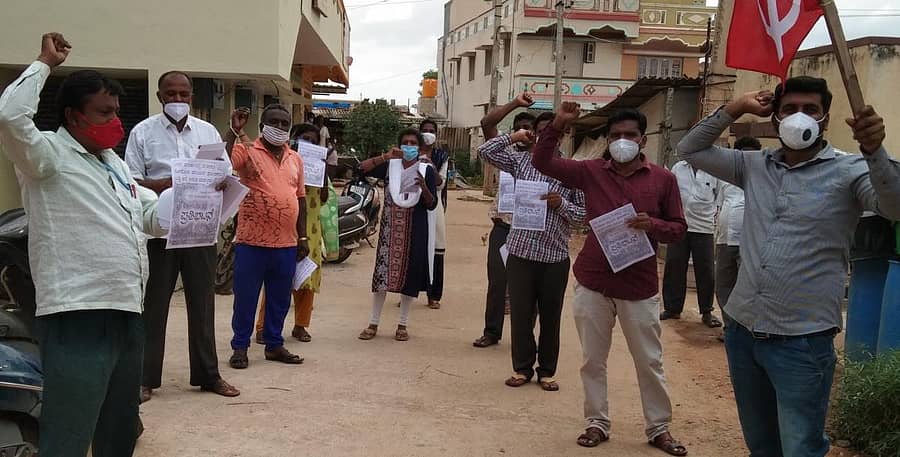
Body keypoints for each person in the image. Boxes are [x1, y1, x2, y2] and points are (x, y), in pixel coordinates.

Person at [678, 77, 900, 456]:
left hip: (803, 342)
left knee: (801, 448)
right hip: (744, 332)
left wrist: (875, 151)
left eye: (810, 109)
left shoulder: (850, 171)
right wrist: (737, 107)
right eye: (790, 109)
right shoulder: (753, 166)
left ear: (825, 119)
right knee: (761, 444)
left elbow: (894, 208)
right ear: (776, 118)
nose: (800, 117)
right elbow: (690, 149)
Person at [0, 33, 167, 456]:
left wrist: (205, 196)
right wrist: (43, 64)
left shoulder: (115, 164)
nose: (116, 121)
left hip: (127, 311)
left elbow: (153, 218)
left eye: (116, 111)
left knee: (120, 427)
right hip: (78, 313)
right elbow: (9, 117)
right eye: (105, 112)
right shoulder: (47, 156)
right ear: (74, 116)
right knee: (71, 429)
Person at [532, 102, 689, 455]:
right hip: (594, 280)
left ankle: (659, 428)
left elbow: (679, 230)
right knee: (592, 359)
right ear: (607, 139)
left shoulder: (664, 179)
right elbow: (543, 162)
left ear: (642, 140)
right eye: (615, 135)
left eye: (629, 135)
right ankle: (596, 422)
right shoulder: (589, 172)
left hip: (638, 285)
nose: (622, 141)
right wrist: (556, 125)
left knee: (649, 360)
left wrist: (655, 225)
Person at [125, 70, 239, 402]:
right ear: (160, 97)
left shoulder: (207, 131)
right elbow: (129, 180)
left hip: (200, 229)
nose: (177, 100)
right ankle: (145, 379)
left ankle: (208, 375)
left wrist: (219, 181)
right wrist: (162, 185)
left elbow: (226, 172)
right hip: (160, 229)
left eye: (183, 95)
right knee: (155, 305)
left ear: (192, 97)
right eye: (170, 94)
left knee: (202, 304)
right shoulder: (142, 132)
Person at [477, 103, 586, 392]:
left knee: (551, 317)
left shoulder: (573, 171)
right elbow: (484, 152)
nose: (544, 137)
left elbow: (583, 217)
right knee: (522, 315)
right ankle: (522, 368)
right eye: (539, 132)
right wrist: (513, 137)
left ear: (562, 136)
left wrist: (560, 204)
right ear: (534, 135)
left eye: (552, 132)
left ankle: (547, 371)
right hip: (520, 252)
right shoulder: (521, 161)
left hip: (554, 255)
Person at [225, 104, 307, 368]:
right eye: (274, 122)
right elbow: (224, 165)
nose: (280, 128)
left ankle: (274, 344)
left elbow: (300, 199)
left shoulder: (295, 158)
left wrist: (302, 237)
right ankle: (240, 347)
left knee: (279, 299)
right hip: (252, 242)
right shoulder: (246, 150)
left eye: (285, 124)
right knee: (246, 298)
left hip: (286, 243)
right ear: (262, 127)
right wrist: (232, 132)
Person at [253, 123, 332, 343]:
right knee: (276, 280)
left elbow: (323, 197)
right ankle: (262, 327)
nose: (309, 144)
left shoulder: (317, 168)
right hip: (283, 230)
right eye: (305, 139)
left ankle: (300, 325)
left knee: (307, 282)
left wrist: (322, 171)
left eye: (314, 141)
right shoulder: (285, 164)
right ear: (294, 140)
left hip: (311, 232)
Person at [357, 129, 438, 341]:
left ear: (419, 148)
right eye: (405, 142)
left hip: (415, 228)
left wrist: (424, 188)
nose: (408, 146)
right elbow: (361, 169)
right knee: (382, 275)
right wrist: (385, 156)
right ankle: (373, 323)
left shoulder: (426, 170)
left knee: (410, 275)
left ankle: (402, 324)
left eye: (413, 143)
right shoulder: (390, 166)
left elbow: (432, 205)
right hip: (390, 229)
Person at [472, 93, 536, 348]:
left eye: (529, 129)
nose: (524, 132)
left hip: (530, 228)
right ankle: (492, 331)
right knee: (498, 282)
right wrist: (515, 104)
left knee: (530, 287)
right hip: (503, 227)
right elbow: (486, 124)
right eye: (519, 128)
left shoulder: (541, 158)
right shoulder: (505, 152)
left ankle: (525, 335)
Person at [660, 159, 722, 328]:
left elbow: (719, 198)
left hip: (704, 227)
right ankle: (672, 308)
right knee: (674, 266)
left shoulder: (714, 169)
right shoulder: (678, 168)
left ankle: (707, 311)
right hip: (679, 225)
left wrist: (713, 218)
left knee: (706, 270)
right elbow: (670, 193)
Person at [714, 136, 761, 338]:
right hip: (724, 238)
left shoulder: (763, 177)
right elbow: (719, 204)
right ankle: (730, 328)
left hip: (750, 241)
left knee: (747, 287)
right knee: (723, 285)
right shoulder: (724, 176)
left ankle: (748, 330)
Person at [419, 118, 449, 309]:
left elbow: (441, 183)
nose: (429, 133)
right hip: (414, 202)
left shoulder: (441, 156)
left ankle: (434, 295)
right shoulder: (412, 151)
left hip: (435, 203)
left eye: (432, 130)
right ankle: (408, 291)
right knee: (415, 247)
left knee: (437, 248)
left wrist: (430, 165)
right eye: (425, 130)